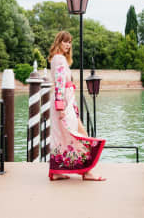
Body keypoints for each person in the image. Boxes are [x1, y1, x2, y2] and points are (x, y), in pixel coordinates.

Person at [48, 31, 106, 181]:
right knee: (81, 135)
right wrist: (61, 106)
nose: (68, 45)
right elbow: (60, 83)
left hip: (64, 103)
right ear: (59, 42)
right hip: (63, 105)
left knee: (62, 135)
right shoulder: (60, 59)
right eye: (65, 41)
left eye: (69, 42)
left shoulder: (56, 59)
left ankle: (58, 171)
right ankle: (87, 172)